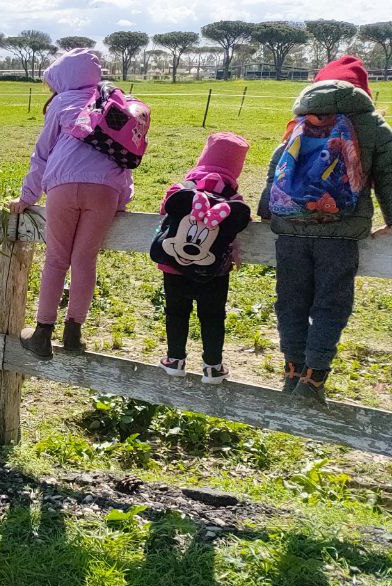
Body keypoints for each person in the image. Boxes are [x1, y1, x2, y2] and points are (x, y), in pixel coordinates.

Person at [258, 56, 392, 402]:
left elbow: (279, 164)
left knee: (290, 301)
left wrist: (267, 210)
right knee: (331, 304)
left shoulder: (303, 118)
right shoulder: (372, 126)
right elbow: (389, 176)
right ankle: (314, 379)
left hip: (290, 229)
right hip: (341, 232)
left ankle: (291, 370)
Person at [10, 49, 133, 359]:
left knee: (56, 259)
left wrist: (27, 198)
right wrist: (122, 198)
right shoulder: (114, 102)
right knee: (84, 260)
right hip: (103, 191)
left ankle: (42, 334)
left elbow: (42, 154)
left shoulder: (61, 103)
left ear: (63, 77)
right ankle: (74, 334)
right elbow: (126, 156)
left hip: (63, 186)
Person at [150, 133, 252, 384]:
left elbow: (165, 208)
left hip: (173, 266)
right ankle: (213, 366)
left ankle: (175, 360)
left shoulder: (182, 189)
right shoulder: (232, 198)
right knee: (213, 316)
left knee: (176, 311)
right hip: (214, 270)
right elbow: (242, 222)